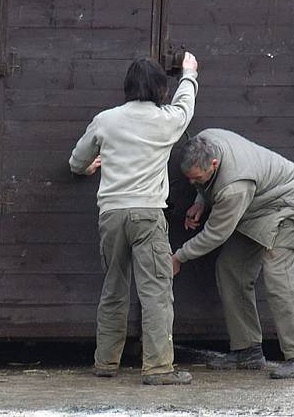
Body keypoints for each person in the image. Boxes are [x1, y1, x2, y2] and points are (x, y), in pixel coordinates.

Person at [69, 54, 198, 386]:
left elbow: (76, 161)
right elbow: (186, 107)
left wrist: (86, 169)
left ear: (127, 87)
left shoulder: (105, 120)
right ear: (158, 88)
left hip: (111, 214)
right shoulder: (166, 119)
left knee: (114, 288)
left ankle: (106, 362)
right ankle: (157, 368)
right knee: (155, 292)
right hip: (147, 215)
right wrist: (189, 74)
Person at [172, 129, 294, 379]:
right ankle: (247, 351)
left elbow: (215, 234)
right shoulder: (205, 140)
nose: (192, 183)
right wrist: (200, 200)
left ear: (214, 164)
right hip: (256, 205)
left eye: (197, 179)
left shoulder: (233, 187)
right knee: (231, 269)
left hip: (286, 201)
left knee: (279, 276)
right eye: (190, 179)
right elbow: (208, 183)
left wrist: (179, 257)